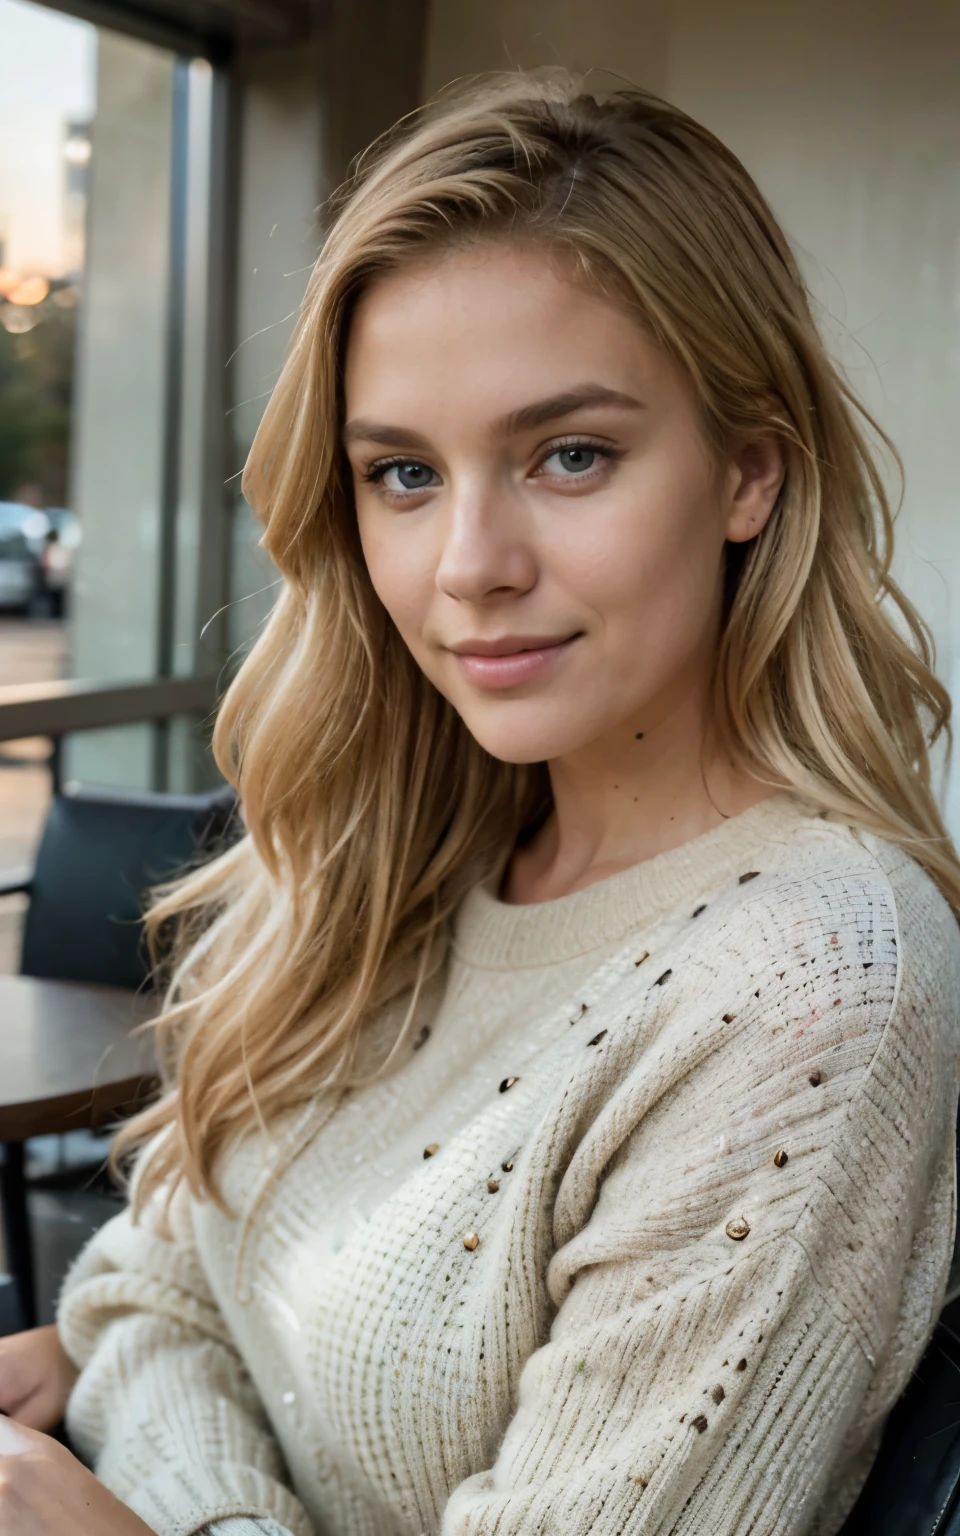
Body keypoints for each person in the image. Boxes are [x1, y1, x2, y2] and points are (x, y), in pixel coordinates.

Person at [0, 70, 958, 1536]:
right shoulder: (409, 861)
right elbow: (147, 1289)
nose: (468, 566)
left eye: (569, 454)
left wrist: (131, 1515)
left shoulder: (810, 985)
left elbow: (157, 1339)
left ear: (748, 473)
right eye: (401, 473)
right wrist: (135, 1404)